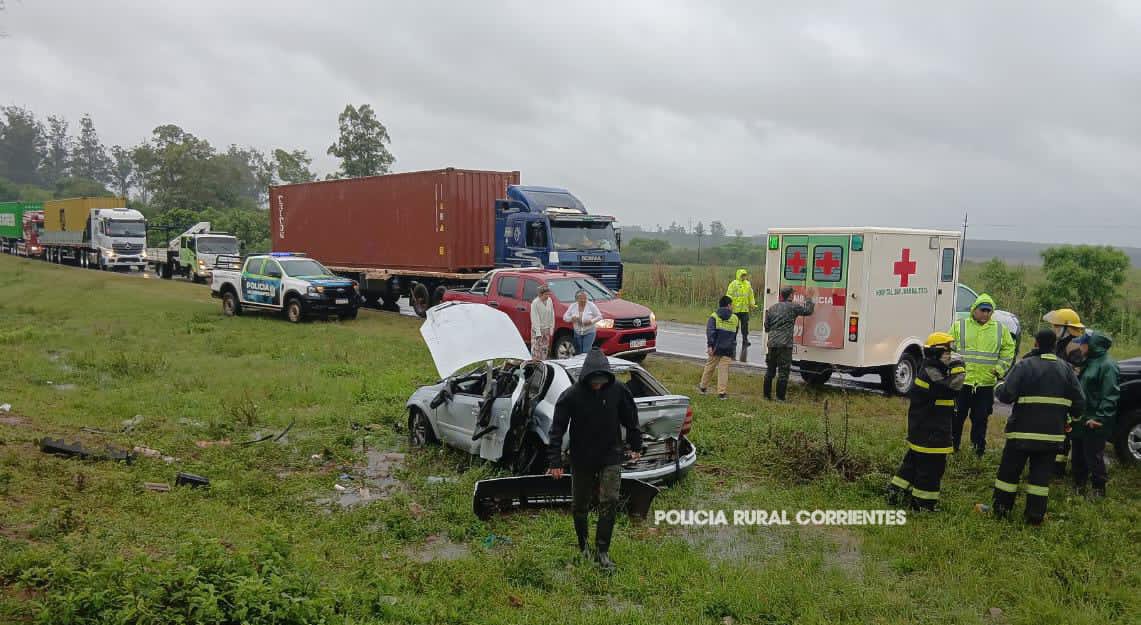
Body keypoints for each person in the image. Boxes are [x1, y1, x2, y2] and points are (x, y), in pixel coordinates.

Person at [547, 348, 643, 572]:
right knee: (580, 504)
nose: (598, 385)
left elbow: (632, 419)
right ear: (586, 378)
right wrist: (555, 461)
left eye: (601, 382)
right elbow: (557, 429)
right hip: (582, 457)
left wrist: (636, 445)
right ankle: (583, 547)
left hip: (610, 455)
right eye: (594, 382)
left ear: (608, 378)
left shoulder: (619, 391)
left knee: (609, 500)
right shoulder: (571, 395)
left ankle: (602, 550)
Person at [991, 330, 1084, 525]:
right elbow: (1079, 402)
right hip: (1051, 437)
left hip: (1021, 434)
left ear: (1035, 343)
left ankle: (1001, 511)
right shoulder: (1066, 369)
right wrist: (1071, 417)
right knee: (1040, 479)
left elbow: (1006, 395)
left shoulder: (1025, 366)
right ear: (1054, 345)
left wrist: (998, 386)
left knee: (1008, 474)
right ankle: (1034, 516)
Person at [886, 332, 965, 511]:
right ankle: (923, 505)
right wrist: (959, 369)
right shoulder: (931, 372)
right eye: (947, 350)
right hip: (931, 432)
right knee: (931, 470)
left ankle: (895, 493)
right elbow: (950, 389)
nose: (950, 354)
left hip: (924, 430)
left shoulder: (932, 369)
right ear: (936, 352)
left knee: (912, 465)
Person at [949, 293, 1016, 457]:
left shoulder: (1000, 330)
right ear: (974, 310)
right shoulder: (960, 326)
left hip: (985, 385)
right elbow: (949, 348)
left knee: (980, 420)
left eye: (989, 311)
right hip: (962, 383)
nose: (986, 314)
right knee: (956, 418)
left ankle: (978, 451)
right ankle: (952, 447)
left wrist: (1000, 369)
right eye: (983, 310)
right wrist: (953, 370)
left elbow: (1008, 352)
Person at [1070, 332, 1120, 499]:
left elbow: (1110, 395)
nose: (1080, 346)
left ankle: (1098, 489)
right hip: (1081, 418)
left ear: (1093, 345)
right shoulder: (1089, 362)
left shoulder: (1107, 365)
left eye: (1083, 344)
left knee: (1094, 455)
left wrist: (1099, 419)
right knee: (1077, 453)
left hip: (1094, 419)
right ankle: (1079, 484)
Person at [1042, 308, 1087, 476]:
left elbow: (1075, 373)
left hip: (1066, 398)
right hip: (1060, 395)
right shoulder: (1063, 342)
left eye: (1056, 326)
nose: (1054, 329)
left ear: (1066, 327)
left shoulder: (1073, 345)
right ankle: (1054, 465)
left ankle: (1058, 468)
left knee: (1064, 433)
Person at [762, 285, 815, 401]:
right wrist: (809, 298)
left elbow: (766, 327)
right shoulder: (793, 307)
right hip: (785, 345)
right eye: (793, 294)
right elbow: (808, 311)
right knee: (783, 372)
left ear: (781, 295)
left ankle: (766, 396)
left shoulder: (772, 308)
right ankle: (780, 398)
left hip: (771, 344)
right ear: (791, 295)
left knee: (770, 371)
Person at [699, 295, 739, 400]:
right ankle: (721, 393)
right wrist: (733, 350)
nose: (732, 307)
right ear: (729, 305)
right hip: (728, 349)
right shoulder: (735, 318)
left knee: (709, 367)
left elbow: (710, 332)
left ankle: (703, 387)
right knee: (723, 370)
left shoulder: (714, 316)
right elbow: (734, 336)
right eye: (732, 305)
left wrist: (710, 346)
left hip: (716, 348)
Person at [563, 289, 603, 355]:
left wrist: (591, 321)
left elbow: (599, 316)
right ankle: (580, 364)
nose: (583, 300)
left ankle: (586, 364)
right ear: (577, 299)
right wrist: (571, 319)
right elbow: (565, 317)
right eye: (581, 298)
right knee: (578, 351)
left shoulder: (591, 305)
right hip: (577, 332)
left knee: (586, 351)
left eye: (585, 298)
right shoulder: (573, 306)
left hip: (589, 331)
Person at [726, 269, 757, 348]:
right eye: (742, 275)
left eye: (745, 275)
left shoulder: (748, 284)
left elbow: (750, 295)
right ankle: (733, 340)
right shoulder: (734, 284)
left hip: (744, 310)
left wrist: (752, 304)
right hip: (735, 309)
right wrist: (728, 305)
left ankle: (745, 340)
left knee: (745, 326)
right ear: (739, 275)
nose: (744, 277)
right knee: (734, 326)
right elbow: (729, 295)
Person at [529, 284, 555, 360]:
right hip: (538, 330)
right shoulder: (535, 303)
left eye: (548, 294)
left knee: (545, 349)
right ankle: (535, 364)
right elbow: (534, 318)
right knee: (536, 350)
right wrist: (538, 332)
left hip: (546, 329)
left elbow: (552, 314)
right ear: (540, 294)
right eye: (545, 294)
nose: (547, 296)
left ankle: (543, 363)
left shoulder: (549, 300)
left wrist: (551, 328)